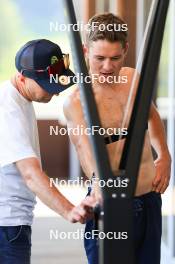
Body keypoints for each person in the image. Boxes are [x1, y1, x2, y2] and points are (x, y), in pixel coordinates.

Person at [63, 13, 171, 264]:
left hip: (150, 201)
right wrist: (100, 183)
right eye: (100, 58)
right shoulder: (78, 101)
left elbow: (152, 117)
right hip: (110, 203)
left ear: (126, 50)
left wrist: (164, 155)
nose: (108, 67)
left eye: (115, 58)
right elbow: (84, 148)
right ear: (85, 51)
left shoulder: (132, 78)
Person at [0, 39, 96, 264]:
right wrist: (69, 210)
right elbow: (31, 175)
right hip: (7, 227)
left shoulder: (19, 97)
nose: (55, 93)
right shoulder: (8, 110)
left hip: (12, 224)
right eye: (48, 85)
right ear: (23, 77)